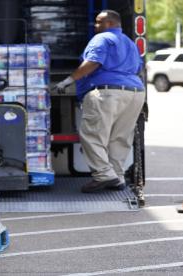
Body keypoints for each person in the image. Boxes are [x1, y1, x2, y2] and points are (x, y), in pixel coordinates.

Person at [54, 10, 145, 197]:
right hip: (135, 93)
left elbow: (93, 62)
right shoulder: (130, 42)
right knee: (119, 137)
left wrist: (68, 80)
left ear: (110, 23)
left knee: (92, 135)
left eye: (98, 22)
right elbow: (138, 68)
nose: (95, 26)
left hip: (107, 92)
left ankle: (104, 174)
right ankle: (117, 176)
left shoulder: (102, 38)